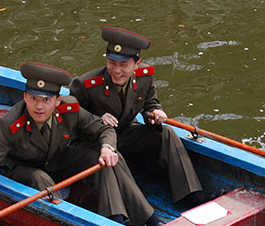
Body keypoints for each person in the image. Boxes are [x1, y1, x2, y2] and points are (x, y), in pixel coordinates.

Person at [0, 62, 161, 226]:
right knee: (40, 179)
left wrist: (106, 147)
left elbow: (103, 129)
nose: (39, 106)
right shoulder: (10, 123)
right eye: (33, 98)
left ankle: (131, 219)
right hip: (23, 167)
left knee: (109, 157)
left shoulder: (69, 109)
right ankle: (69, 221)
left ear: (57, 100)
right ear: (25, 97)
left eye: (46, 100)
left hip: (56, 159)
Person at [69, 27, 216, 207]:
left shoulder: (145, 77)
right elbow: (70, 120)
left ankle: (191, 194)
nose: (116, 70)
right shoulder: (85, 85)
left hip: (126, 135)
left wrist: (155, 113)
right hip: (96, 144)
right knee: (112, 157)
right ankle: (127, 209)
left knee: (167, 133)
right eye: (112, 63)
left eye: (123, 65)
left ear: (137, 64)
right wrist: (96, 118)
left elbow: (150, 103)